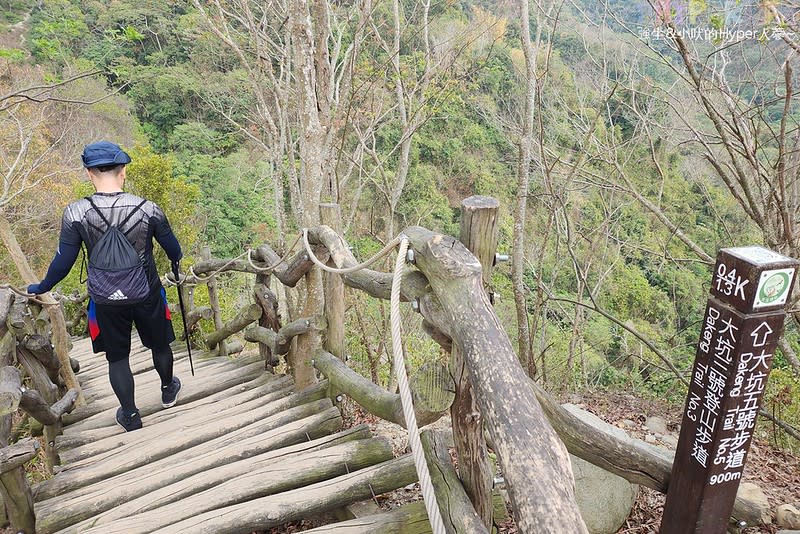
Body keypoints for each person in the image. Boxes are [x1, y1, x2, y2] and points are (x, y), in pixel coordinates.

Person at [27, 141, 183, 432]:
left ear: (89, 173)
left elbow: (64, 261)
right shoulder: (148, 209)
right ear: (122, 170)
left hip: (105, 298)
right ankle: (167, 389)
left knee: (118, 357)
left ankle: (130, 415)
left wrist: (42, 285)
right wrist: (176, 263)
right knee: (159, 344)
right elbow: (173, 249)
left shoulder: (76, 212)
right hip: (146, 291)